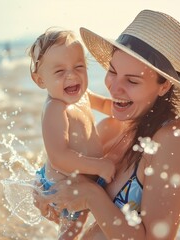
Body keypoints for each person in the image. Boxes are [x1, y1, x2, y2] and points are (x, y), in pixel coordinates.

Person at [33, 10, 180, 239]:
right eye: (112, 71)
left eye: (132, 80)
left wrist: (91, 195)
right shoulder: (111, 129)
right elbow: (64, 168)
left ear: (164, 86)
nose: (114, 87)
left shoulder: (177, 136)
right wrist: (46, 194)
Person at [28, 28, 116, 239]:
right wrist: (99, 166)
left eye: (79, 67)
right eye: (59, 72)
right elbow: (59, 158)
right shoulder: (55, 109)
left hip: (82, 179)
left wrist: (130, 108)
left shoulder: (83, 94)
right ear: (40, 80)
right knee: (70, 234)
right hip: (63, 184)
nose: (72, 75)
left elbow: (105, 105)